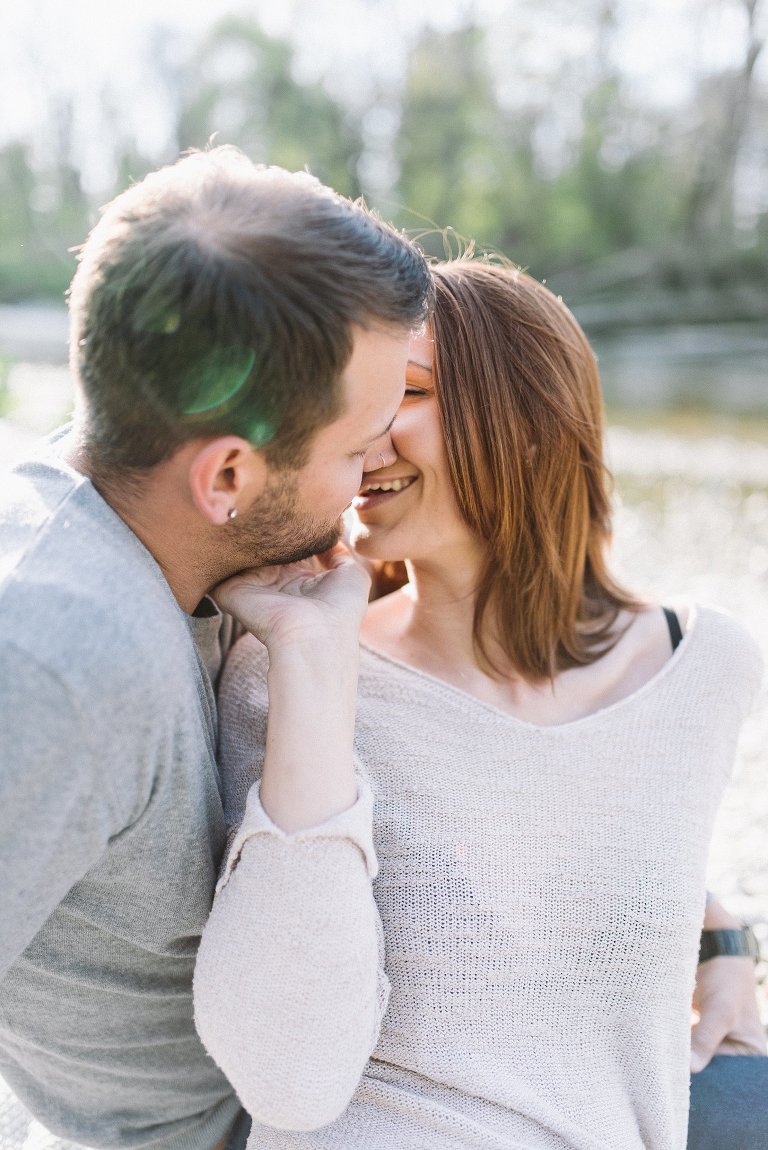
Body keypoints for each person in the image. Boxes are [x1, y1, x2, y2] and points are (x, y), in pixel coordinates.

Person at [194, 256, 765, 1149]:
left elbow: (547, 843)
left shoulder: (704, 667)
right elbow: (289, 1073)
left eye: (405, 394)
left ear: (529, 419)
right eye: (346, 408)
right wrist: (312, 663)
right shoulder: (290, 673)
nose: (360, 439)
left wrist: (723, 939)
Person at [0, 145, 432, 1150]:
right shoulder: (58, 661)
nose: (381, 464)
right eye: (357, 445)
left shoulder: (158, 527)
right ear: (228, 477)